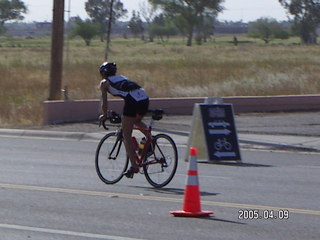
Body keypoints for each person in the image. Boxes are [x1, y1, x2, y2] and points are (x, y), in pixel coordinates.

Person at [98, 62, 150, 178]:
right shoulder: (122, 78)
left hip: (132, 100)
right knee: (136, 121)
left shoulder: (104, 83)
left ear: (102, 73)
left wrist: (104, 115)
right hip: (144, 97)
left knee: (126, 134)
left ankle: (134, 166)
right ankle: (148, 141)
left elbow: (104, 103)